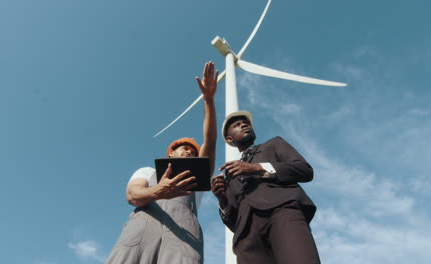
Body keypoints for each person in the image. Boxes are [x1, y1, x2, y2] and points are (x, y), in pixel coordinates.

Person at [107, 62, 218, 264]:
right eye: (184, 148)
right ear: (171, 153)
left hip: (185, 239)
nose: (189, 152)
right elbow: (132, 195)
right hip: (140, 233)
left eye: (193, 152)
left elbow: (210, 142)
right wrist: (158, 191)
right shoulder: (147, 171)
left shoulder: (197, 184)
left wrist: (209, 100)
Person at [211, 110, 320, 264]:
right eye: (237, 125)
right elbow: (233, 221)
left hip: (282, 213)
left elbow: (305, 170)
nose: (244, 125)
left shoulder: (274, 144)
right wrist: (222, 200)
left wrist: (258, 168)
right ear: (230, 139)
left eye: (246, 123)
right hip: (247, 237)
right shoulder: (230, 175)